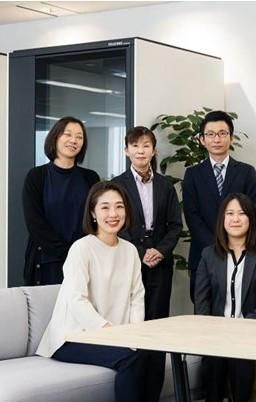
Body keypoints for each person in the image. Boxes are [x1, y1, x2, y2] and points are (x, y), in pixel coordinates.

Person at [36, 181, 161, 402]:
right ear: (93, 213)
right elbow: (77, 300)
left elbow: (136, 297)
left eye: (119, 206)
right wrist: (108, 331)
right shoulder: (81, 249)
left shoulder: (130, 250)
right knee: (131, 359)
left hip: (115, 336)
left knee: (155, 354)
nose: (113, 214)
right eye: (105, 207)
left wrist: (133, 334)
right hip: (72, 337)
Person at [194, 193, 256, 402]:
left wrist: (244, 329)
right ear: (222, 219)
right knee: (213, 363)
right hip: (217, 334)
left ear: (250, 219)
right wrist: (210, 331)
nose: (235, 219)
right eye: (230, 213)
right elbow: (201, 300)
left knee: (241, 362)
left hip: (252, 332)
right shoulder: (208, 255)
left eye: (241, 213)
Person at [183, 110, 256, 301]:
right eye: (210, 134)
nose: (216, 139)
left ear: (231, 138)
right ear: (202, 140)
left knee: (239, 307)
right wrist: (216, 248)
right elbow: (192, 216)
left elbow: (249, 212)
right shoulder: (192, 174)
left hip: (240, 253)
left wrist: (231, 246)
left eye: (222, 133)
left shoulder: (247, 172)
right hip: (203, 254)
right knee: (202, 309)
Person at [113, 126, 182, 320]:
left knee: (158, 316)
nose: (140, 151)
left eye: (146, 145)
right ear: (126, 151)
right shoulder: (117, 185)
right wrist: (141, 253)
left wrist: (160, 251)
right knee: (131, 316)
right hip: (130, 257)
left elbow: (175, 224)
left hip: (161, 260)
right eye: (135, 146)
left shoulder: (165, 185)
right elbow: (116, 226)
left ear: (154, 151)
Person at [22, 116, 100, 285]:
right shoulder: (37, 176)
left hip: (83, 260)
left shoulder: (90, 178)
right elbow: (35, 223)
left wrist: (80, 253)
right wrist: (67, 252)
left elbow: (96, 219)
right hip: (46, 261)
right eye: (68, 134)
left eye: (79, 137)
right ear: (55, 137)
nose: (74, 140)